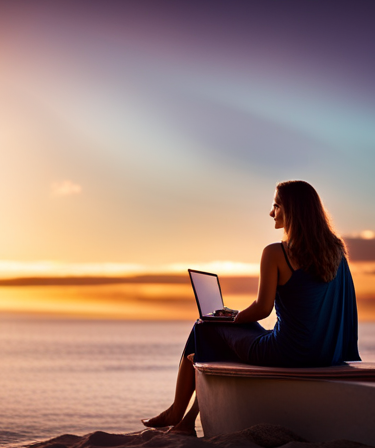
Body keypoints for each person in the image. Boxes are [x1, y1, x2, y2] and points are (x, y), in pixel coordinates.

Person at [141, 180, 361, 436]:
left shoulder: (276, 253)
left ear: (292, 211)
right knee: (214, 330)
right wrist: (238, 319)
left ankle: (176, 411)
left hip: (287, 352)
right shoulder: (336, 252)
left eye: (276, 206)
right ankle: (186, 421)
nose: (271, 213)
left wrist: (234, 319)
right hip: (326, 352)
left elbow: (261, 309)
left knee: (204, 325)